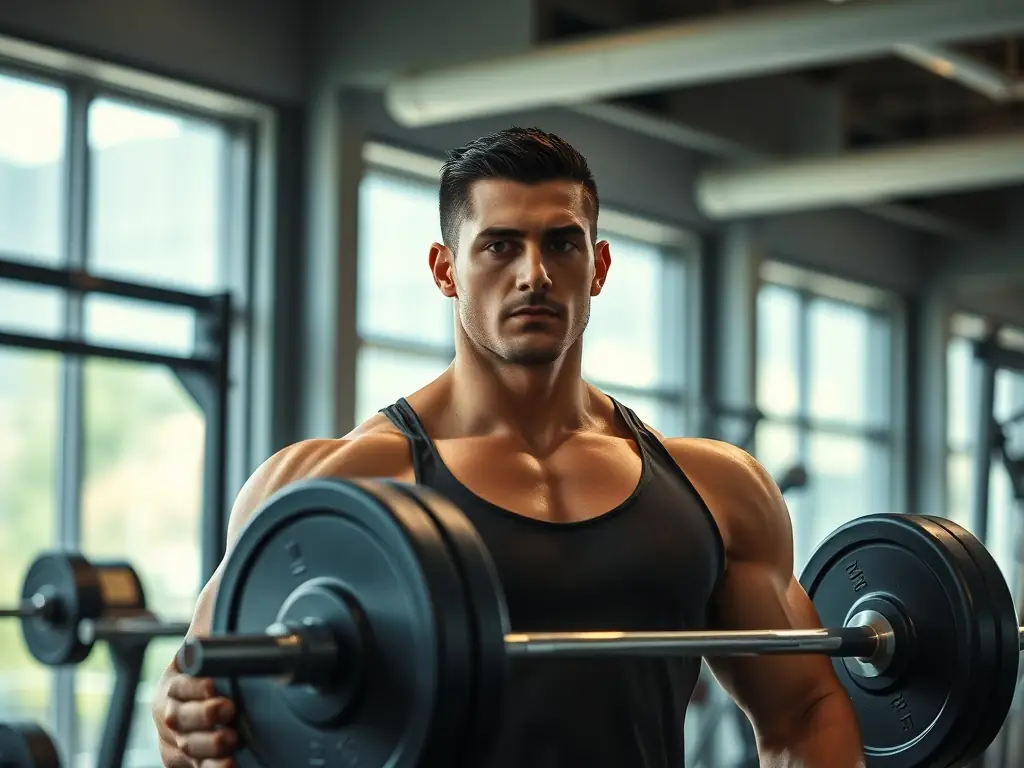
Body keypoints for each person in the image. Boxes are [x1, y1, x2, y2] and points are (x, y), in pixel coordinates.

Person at [151, 127, 864, 767]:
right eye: (499, 245)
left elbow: (803, 713)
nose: (534, 275)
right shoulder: (334, 485)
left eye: (561, 242)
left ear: (600, 266)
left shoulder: (715, 489)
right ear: (444, 269)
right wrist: (184, 721)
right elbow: (195, 715)